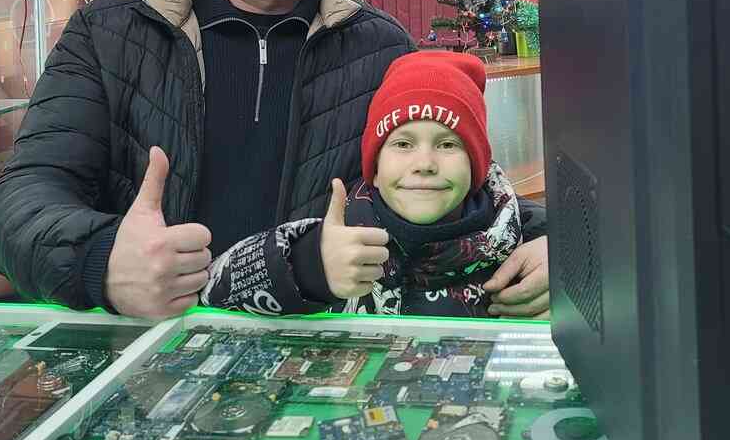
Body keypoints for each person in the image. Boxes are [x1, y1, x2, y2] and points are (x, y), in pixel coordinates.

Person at [0, 0, 550, 320]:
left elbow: (453, 179)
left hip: (319, 354)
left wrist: (556, 242)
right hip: (148, 345)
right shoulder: (108, 34)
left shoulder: (380, 47)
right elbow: (21, 198)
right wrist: (103, 261)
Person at [202, 50, 536, 317]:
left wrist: (564, 262)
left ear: (476, 166)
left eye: (448, 144)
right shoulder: (333, 237)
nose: (424, 164)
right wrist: (308, 267)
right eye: (402, 144)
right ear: (374, 167)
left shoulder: (527, 253)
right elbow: (212, 291)